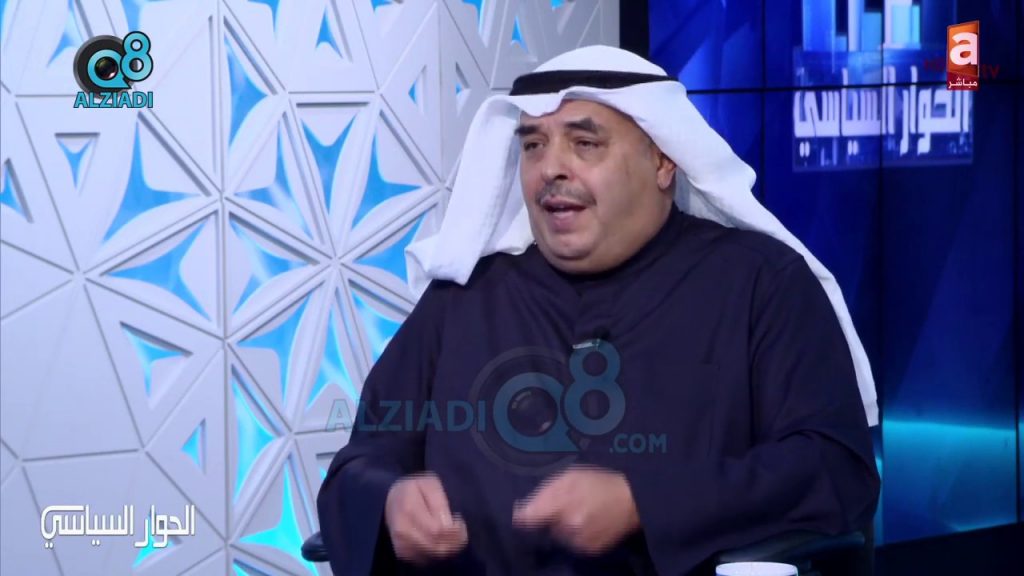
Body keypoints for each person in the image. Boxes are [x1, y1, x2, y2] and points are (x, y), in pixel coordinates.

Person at [316, 45, 880, 576]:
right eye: (533, 146)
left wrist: (645, 502)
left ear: (664, 162)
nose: (550, 169)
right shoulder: (462, 299)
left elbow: (832, 468)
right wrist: (389, 500)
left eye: (585, 144)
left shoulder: (760, 284)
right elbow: (361, 461)